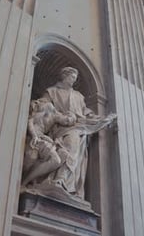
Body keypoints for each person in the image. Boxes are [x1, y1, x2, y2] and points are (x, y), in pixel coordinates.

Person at [41, 67, 116, 199]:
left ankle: (66, 182)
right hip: (61, 127)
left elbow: (85, 111)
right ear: (64, 76)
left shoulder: (78, 96)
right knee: (71, 145)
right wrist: (60, 116)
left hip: (79, 127)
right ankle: (60, 178)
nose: (73, 81)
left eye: (75, 79)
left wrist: (95, 117)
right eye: (72, 78)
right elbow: (42, 106)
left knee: (76, 151)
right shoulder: (52, 91)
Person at [22, 98, 75, 187]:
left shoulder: (54, 125)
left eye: (67, 125)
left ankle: (29, 181)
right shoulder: (49, 107)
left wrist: (51, 141)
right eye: (67, 121)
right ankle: (25, 182)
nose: (65, 124)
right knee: (56, 160)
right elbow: (31, 120)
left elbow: (42, 132)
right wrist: (34, 135)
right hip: (33, 136)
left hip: (39, 137)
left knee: (63, 155)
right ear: (66, 114)